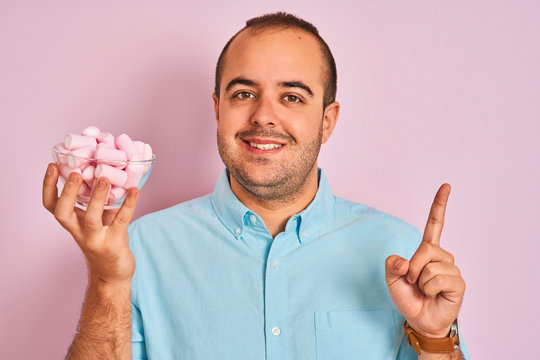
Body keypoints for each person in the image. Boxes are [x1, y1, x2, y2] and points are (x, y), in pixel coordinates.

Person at [42, 12, 468, 360]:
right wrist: (107, 281)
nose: (264, 116)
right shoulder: (139, 249)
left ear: (327, 120)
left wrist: (434, 339)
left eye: (293, 97)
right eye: (243, 93)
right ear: (218, 109)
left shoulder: (398, 251)